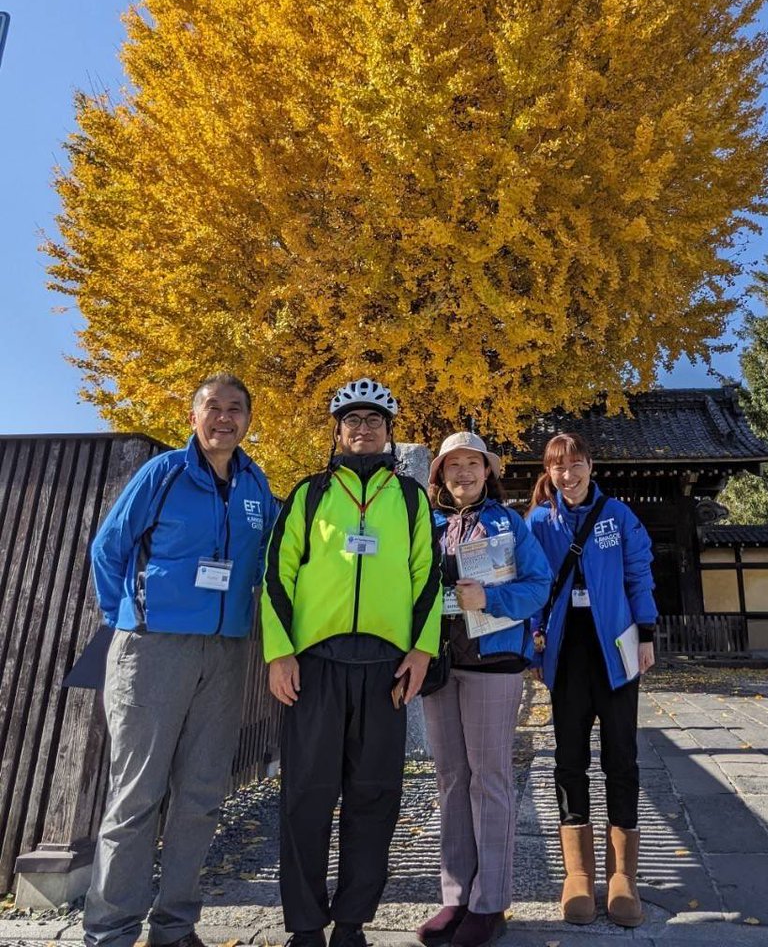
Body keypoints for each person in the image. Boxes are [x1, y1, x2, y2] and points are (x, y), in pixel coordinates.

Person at [83, 374, 279, 947]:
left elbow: (272, 560)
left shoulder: (255, 484)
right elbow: (108, 548)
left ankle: (174, 927)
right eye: (213, 407)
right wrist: (128, 617)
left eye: (235, 409)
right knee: (136, 795)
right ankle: (110, 931)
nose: (224, 418)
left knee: (201, 796)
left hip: (226, 653)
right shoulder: (163, 473)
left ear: (248, 420)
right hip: (154, 648)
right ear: (194, 417)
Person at [262, 378, 442, 947]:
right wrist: (279, 652)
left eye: (374, 420)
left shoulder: (411, 498)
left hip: (386, 668)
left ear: (389, 431)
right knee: (305, 796)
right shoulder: (310, 493)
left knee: (375, 796)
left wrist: (422, 649)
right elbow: (277, 573)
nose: (363, 429)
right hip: (315, 665)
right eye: (352, 420)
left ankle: (352, 922)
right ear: (337, 431)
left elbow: (428, 576)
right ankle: (305, 925)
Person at [417, 432, 551, 947]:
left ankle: (489, 902)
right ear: (440, 475)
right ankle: (455, 896)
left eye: (473, 463)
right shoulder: (425, 523)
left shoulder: (509, 523)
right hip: (439, 663)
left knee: (489, 778)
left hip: (493, 662)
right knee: (450, 779)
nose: (464, 472)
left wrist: (489, 599)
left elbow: (538, 585)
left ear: (488, 472)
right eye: (453, 465)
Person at [526, 432, 657, 929]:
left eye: (576, 464)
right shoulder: (540, 521)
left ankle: (624, 875)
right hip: (566, 650)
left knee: (621, 755)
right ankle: (577, 873)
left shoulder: (617, 516)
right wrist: (534, 641)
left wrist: (647, 633)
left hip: (616, 648)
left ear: (590, 466)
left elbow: (638, 573)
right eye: (559, 467)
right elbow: (531, 583)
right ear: (549, 472)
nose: (569, 475)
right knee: (569, 758)